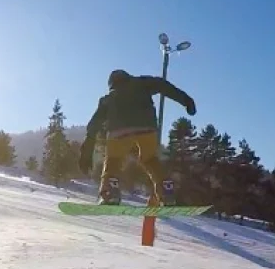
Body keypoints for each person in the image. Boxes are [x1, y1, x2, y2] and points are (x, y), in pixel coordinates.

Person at [78, 69, 196, 206]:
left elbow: (95, 123)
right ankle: (166, 191)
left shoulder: (108, 99)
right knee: (150, 159)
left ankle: (110, 192)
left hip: (119, 130)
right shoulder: (142, 83)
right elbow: (163, 85)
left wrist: (87, 148)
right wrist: (186, 100)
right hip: (147, 128)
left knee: (114, 160)